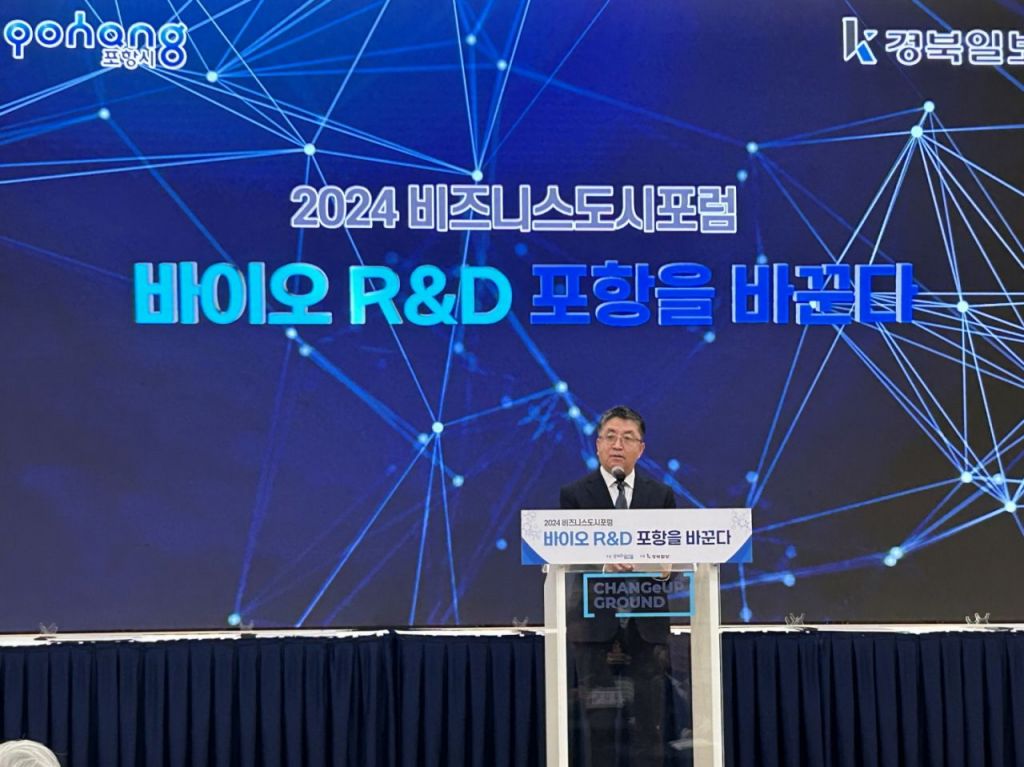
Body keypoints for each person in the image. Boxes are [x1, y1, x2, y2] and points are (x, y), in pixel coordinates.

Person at [560, 405, 677, 767]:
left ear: (641, 449)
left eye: (628, 438)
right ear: (597, 445)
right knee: (599, 725)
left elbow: (676, 557)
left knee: (649, 724)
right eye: (610, 437)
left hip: (646, 626)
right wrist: (602, 564)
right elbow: (564, 553)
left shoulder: (661, 495)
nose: (617, 445)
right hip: (595, 623)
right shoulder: (575, 494)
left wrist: (665, 570)